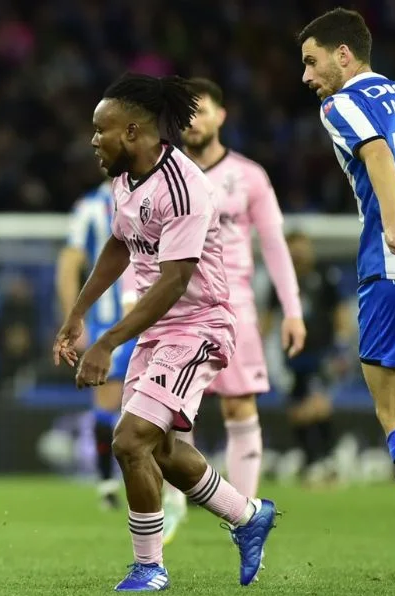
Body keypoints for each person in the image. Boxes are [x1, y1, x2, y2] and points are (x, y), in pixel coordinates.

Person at [55, 72, 279, 592]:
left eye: (100, 129)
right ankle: (248, 517)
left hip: (199, 324)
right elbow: (118, 243)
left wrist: (108, 341)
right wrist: (79, 313)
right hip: (161, 327)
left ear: (133, 132)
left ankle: (149, 567)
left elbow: (177, 279)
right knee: (159, 450)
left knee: (130, 440)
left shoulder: (184, 186)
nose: (93, 140)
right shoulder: (124, 178)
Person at [299, 7, 395, 583]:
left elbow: (379, 154)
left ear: (345, 55)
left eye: (313, 62)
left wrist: (392, 223)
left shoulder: (341, 104)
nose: (307, 77)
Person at [159, 78, 307, 542]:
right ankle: (172, 501)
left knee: (239, 407)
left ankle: (241, 521)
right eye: (186, 115)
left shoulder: (248, 176)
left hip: (234, 304)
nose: (194, 122)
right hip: (178, 306)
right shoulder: (166, 174)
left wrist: (292, 310)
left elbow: (274, 245)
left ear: (221, 116)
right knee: (171, 412)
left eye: (202, 111)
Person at [58, 179, 138, 510]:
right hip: (110, 320)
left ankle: (175, 488)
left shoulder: (159, 190)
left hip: (155, 313)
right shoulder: (91, 206)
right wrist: (72, 318)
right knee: (108, 402)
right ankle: (107, 485)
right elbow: (69, 263)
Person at [271, 232, 351, 484]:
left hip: (321, 354)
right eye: (293, 248)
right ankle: (311, 460)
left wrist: (341, 344)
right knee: (297, 411)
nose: (298, 253)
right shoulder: (281, 282)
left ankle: (325, 458)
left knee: (318, 405)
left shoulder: (324, 276)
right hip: (292, 357)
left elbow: (339, 311)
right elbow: (268, 318)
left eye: (302, 247)